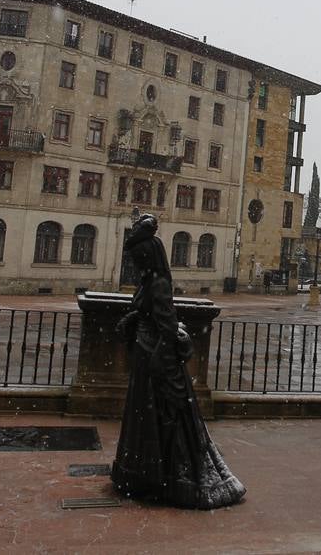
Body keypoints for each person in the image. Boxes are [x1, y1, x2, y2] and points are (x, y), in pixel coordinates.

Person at [111, 214, 245, 509]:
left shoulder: (157, 284)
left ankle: (165, 478)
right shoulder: (150, 282)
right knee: (151, 418)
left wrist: (159, 358)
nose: (134, 264)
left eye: (136, 259)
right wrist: (133, 319)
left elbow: (168, 325)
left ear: (146, 256)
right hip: (147, 354)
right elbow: (149, 313)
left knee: (163, 419)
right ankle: (149, 475)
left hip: (155, 359)